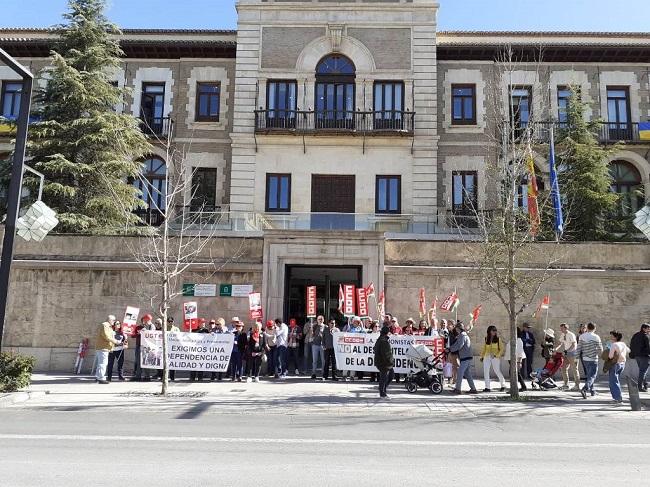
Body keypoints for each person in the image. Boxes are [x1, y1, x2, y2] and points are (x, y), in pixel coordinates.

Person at [448, 322, 478, 394]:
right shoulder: (463, 335)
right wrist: (450, 348)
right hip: (467, 357)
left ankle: (458, 389)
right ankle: (473, 389)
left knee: (460, 372)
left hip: (465, 357)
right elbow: (457, 344)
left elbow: (459, 346)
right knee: (467, 374)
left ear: (458, 328)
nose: (456, 330)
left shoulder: (462, 336)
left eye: (456, 328)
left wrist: (450, 349)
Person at [576, 322, 603, 398]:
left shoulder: (582, 336)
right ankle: (585, 389)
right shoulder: (596, 337)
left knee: (589, 375)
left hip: (585, 359)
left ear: (587, 328)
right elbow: (600, 348)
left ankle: (592, 390)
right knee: (593, 376)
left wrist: (576, 357)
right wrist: (602, 355)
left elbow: (579, 348)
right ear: (595, 328)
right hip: (593, 358)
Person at [95, 319, 122, 384]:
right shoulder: (105, 325)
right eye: (114, 320)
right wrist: (116, 342)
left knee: (100, 364)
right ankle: (101, 378)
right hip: (103, 348)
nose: (114, 322)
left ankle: (98, 377)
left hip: (104, 348)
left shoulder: (107, 326)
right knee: (103, 363)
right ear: (110, 320)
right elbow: (107, 337)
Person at [480, 325, 506, 392]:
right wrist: (482, 356)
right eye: (493, 330)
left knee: (497, 371)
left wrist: (497, 355)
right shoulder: (486, 339)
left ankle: (503, 385)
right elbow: (484, 348)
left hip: (495, 357)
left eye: (495, 330)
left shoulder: (498, 339)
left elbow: (502, 349)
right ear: (489, 331)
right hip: (487, 356)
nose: (495, 332)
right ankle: (487, 387)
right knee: (486, 372)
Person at [607, 330, 630, 403]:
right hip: (622, 364)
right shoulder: (623, 343)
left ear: (615, 337)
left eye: (612, 336)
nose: (611, 337)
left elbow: (610, 356)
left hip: (615, 364)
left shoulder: (614, 345)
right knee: (616, 381)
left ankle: (618, 399)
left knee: (613, 382)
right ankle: (618, 397)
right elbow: (629, 350)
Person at [556, 323, 580, 391]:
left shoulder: (571, 334)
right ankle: (566, 384)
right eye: (560, 328)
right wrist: (556, 349)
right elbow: (561, 343)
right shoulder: (563, 334)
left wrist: (567, 351)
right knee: (563, 368)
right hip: (566, 354)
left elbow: (574, 345)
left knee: (574, 369)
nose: (561, 329)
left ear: (566, 328)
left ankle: (577, 385)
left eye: (562, 328)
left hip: (573, 354)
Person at [374, 325, 394, 399]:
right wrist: (390, 362)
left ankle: (382, 389)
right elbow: (386, 354)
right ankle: (382, 393)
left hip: (383, 362)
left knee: (391, 375)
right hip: (384, 363)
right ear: (387, 333)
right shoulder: (383, 341)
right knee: (384, 378)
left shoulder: (381, 340)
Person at [629, 323, 650, 392]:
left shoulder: (636, 335)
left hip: (637, 356)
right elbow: (648, 347)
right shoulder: (646, 336)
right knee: (643, 371)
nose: (649, 330)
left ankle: (645, 385)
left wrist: (633, 354)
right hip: (644, 356)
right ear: (643, 328)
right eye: (648, 328)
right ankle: (639, 387)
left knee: (642, 371)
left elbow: (631, 344)